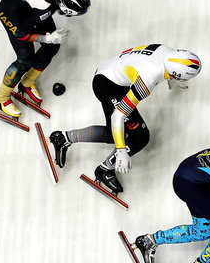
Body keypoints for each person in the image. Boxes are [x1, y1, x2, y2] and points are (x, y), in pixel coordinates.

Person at [49, 44, 201, 193]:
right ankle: (105, 169)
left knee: (111, 133)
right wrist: (121, 150)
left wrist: (171, 77)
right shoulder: (147, 80)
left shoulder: (168, 51)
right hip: (109, 86)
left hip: (108, 73)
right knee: (140, 137)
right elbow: (118, 116)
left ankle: (63, 138)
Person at [0, 0, 90, 118]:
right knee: (25, 59)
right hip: (12, 13)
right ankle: (1, 97)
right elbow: (20, 33)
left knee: (54, 46)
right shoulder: (44, 9)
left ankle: (26, 83)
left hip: (29, 5)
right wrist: (46, 38)